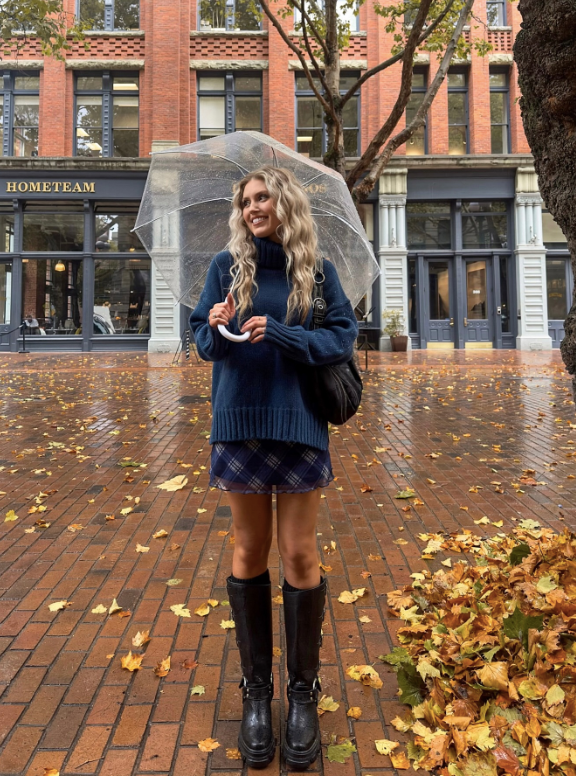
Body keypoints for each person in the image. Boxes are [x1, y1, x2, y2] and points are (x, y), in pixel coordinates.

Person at [189, 165, 358, 770]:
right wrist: (212, 326)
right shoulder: (223, 268)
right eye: (246, 201)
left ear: (283, 203)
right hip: (238, 422)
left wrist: (284, 334)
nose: (252, 207)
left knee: (300, 555)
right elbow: (203, 343)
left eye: (262, 197)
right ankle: (257, 692)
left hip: (298, 425)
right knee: (247, 550)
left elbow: (343, 336)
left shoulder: (316, 272)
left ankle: (302, 694)